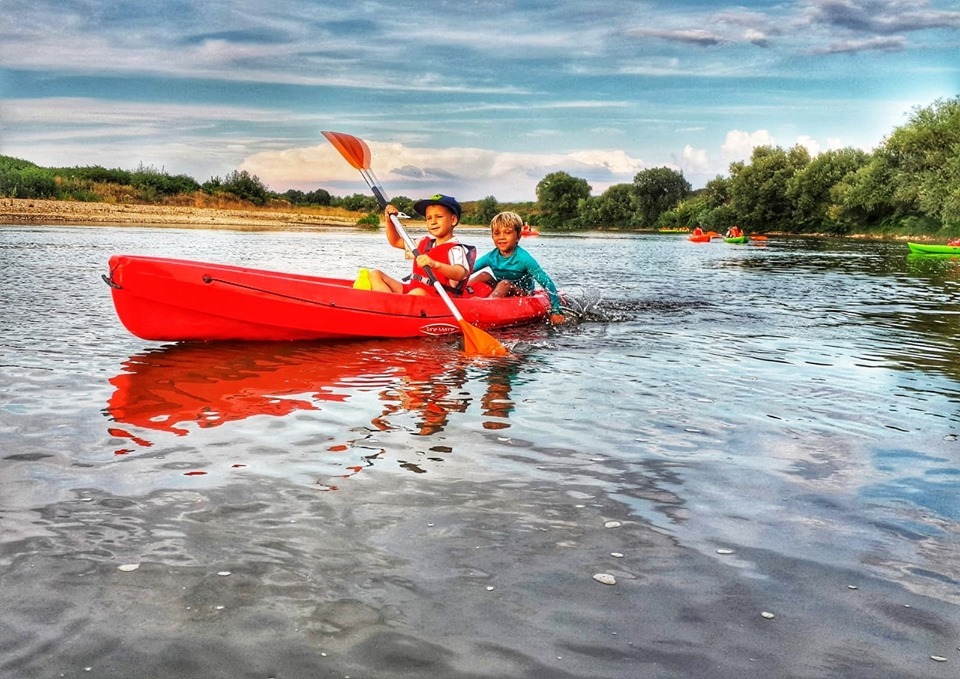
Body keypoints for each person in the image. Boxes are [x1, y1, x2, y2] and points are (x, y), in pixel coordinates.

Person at [469, 211, 565, 325]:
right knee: (484, 275)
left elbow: (546, 282)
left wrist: (556, 311)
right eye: (497, 233)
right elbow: (466, 270)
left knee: (504, 283)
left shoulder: (524, 259)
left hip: (524, 293)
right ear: (492, 236)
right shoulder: (491, 257)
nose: (501, 237)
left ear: (518, 236)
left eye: (507, 233)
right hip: (502, 288)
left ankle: (485, 306)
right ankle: (456, 294)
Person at [367, 194, 472, 296]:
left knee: (417, 292)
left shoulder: (455, 249)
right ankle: (389, 303)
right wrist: (389, 221)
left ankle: (394, 304)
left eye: (439, 217)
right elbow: (396, 241)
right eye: (429, 218)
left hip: (437, 299)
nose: (433, 222)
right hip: (413, 291)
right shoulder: (423, 243)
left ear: (453, 220)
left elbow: (460, 273)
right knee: (375, 274)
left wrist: (435, 264)